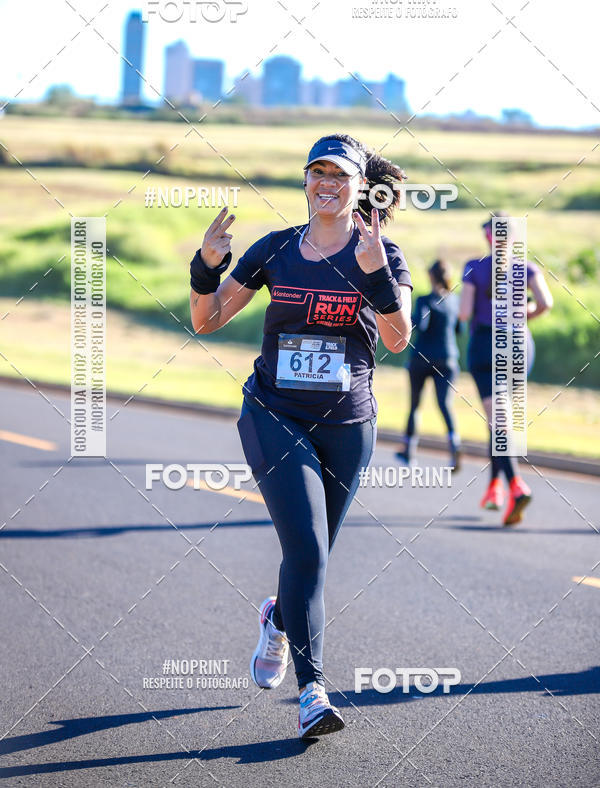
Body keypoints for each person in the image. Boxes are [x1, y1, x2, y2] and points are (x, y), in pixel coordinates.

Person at [189, 134, 413, 739]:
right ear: (306, 181)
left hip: (348, 425)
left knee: (312, 556)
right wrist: (205, 266)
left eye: (339, 174)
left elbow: (398, 340)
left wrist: (374, 277)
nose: (326, 183)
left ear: (361, 186)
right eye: (317, 172)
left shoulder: (384, 254)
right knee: (309, 552)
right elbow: (207, 319)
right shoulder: (276, 249)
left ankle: (278, 617)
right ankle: (313, 692)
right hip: (273, 412)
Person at [458, 213, 553, 526]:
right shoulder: (527, 267)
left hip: (486, 345)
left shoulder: (475, 267)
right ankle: (494, 488)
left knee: (497, 419)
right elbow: (545, 303)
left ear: (487, 237)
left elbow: (465, 312)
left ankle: (515, 483)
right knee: (499, 420)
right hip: (519, 345)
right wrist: (523, 314)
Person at [396, 260, 462, 470]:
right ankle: (455, 448)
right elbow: (460, 329)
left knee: (415, 405)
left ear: (431, 276)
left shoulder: (425, 300)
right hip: (448, 358)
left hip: (422, 358)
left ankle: (408, 451)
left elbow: (420, 324)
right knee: (445, 405)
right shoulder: (455, 301)